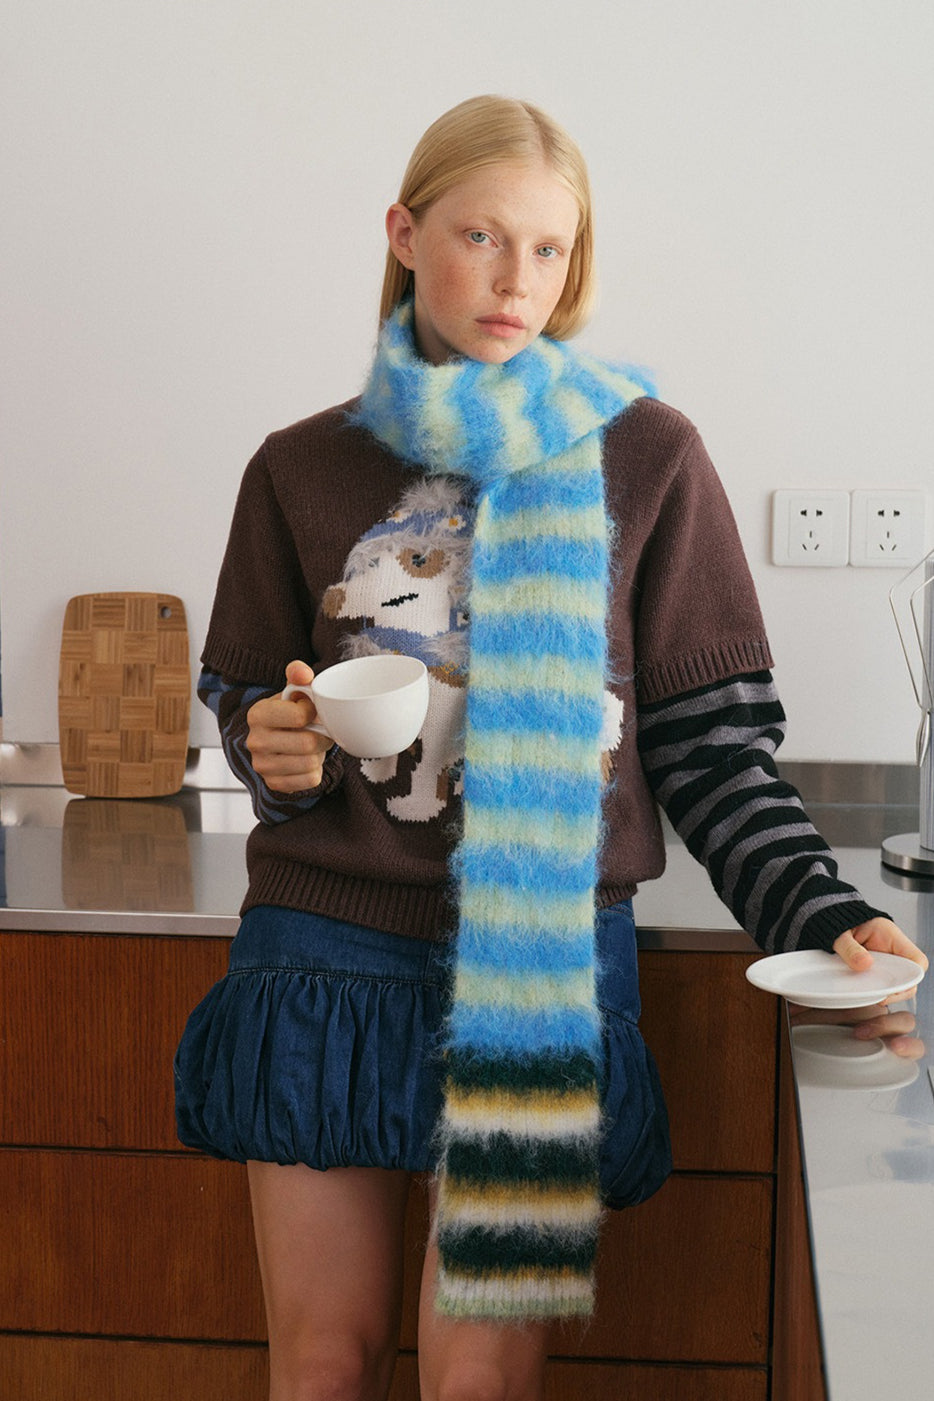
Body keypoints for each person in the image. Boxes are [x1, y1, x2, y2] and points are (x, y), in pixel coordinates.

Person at [174, 94, 928, 1401]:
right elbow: (251, 702)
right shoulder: (298, 467)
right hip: (327, 948)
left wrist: (823, 913)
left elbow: (711, 752)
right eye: (480, 236)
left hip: (545, 963)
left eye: (549, 247)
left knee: (478, 1383)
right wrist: (274, 751)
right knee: (323, 1364)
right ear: (405, 234)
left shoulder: (648, 457)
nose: (517, 279)